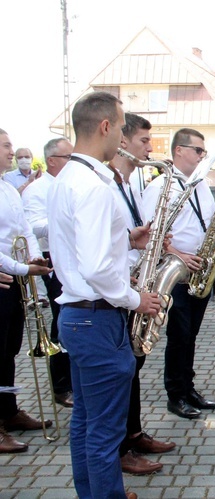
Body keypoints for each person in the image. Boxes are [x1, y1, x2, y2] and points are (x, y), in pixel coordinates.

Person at [47, 92, 161, 498]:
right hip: (97, 318)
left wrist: (126, 238)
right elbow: (96, 269)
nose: (126, 137)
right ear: (106, 127)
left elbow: (80, 248)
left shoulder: (67, 179)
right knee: (104, 432)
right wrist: (136, 300)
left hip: (78, 316)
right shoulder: (94, 186)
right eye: (122, 125)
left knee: (85, 425)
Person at [141, 128, 215, 419]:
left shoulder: (201, 185)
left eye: (203, 151)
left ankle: (188, 388)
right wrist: (179, 256)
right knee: (179, 335)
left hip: (199, 268)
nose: (203, 156)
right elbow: (153, 237)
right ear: (179, 150)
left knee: (190, 335)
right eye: (198, 150)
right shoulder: (160, 187)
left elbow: (207, 223)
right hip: (175, 272)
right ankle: (175, 395)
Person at [109, 113, 176, 474]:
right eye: (144, 142)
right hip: (121, 291)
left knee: (134, 366)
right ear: (123, 141)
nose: (150, 149)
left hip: (135, 280)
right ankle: (120, 449)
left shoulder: (129, 185)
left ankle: (133, 434)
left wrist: (144, 241)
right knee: (122, 372)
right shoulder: (106, 185)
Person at [0, 128, 54, 455]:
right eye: (6, 146)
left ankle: (8, 411)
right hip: (8, 276)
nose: (13, 152)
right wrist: (23, 268)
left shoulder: (8, 189)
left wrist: (35, 256)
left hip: (13, 281)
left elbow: (24, 230)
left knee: (9, 350)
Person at [21, 137, 74, 408]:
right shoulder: (38, 189)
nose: (73, 161)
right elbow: (33, 225)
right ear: (52, 160)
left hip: (72, 256)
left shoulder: (70, 184)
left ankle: (72, 379)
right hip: (51, 259)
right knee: (60, 321)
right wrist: (66, 222)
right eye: (68, 157)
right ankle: (61, 386)